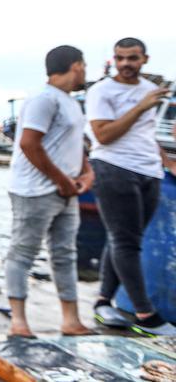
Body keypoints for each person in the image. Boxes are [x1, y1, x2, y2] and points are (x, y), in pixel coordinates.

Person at [86, 37, 176, 336]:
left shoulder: (151, 91)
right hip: (114, 168)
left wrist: (167, 162)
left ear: (144, 60)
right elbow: (104, 136)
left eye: (133, 58)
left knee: (125, 237)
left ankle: (102, 301)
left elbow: (146, 133)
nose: (126, 64)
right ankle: (145, 314)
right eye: (120, 58)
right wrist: (140, 106)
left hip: (149, 171)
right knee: (127, 242)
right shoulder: (102, 90)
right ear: (114, 59)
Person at [5, 45, 95, 337]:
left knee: (65, 254)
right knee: (23, 253)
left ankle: (71, 320)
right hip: (34, 190)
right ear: (76, 66)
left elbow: (74, 141)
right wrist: (61, 179)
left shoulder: (70, 101)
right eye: (83, 65)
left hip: (64, 191)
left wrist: (86, 170)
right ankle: (18, 322)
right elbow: (29, 143)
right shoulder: (43, 99)